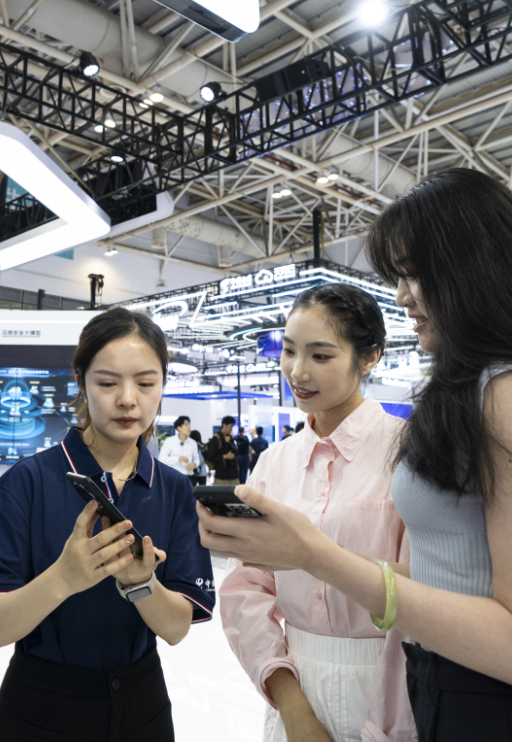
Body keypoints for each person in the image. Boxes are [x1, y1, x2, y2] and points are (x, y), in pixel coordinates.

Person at [199, 169, 512, 742]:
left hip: (507, 710)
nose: (402, 295)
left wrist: (315, 555)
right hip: (460, 693)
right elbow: (458, 579)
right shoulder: (490, 389)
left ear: (474, 268)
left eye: (413, 274)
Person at [0, 307, 214, 741]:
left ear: (162, 386)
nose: (127, 399)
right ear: (81, 382)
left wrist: (142, 584)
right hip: (40, 707)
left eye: (146, 383)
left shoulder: (174, 490)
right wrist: (64, 578)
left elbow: (176, 629)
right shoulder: (26, 483)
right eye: (107, 383)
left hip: (142, 706)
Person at [219, 284, 413, 742]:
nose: (298, 371)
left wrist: (388, 723)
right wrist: (291, 706)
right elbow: (246, 589)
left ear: (369, 358)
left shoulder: (409, 453)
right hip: (294, 683)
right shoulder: (274, 463)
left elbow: (426, 591)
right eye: (289, 351)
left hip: (395, 686)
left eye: (321, 356)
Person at [204, 416, 239, 486]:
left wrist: (231, 442)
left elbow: (236, 453)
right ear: (224, 425)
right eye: (230, 426)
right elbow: (211, 456)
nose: (231, 429)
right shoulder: (216, 438)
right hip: (221, 476)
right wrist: (225, 456)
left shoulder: (230, 438)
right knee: (220, 493)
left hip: (233, 475)